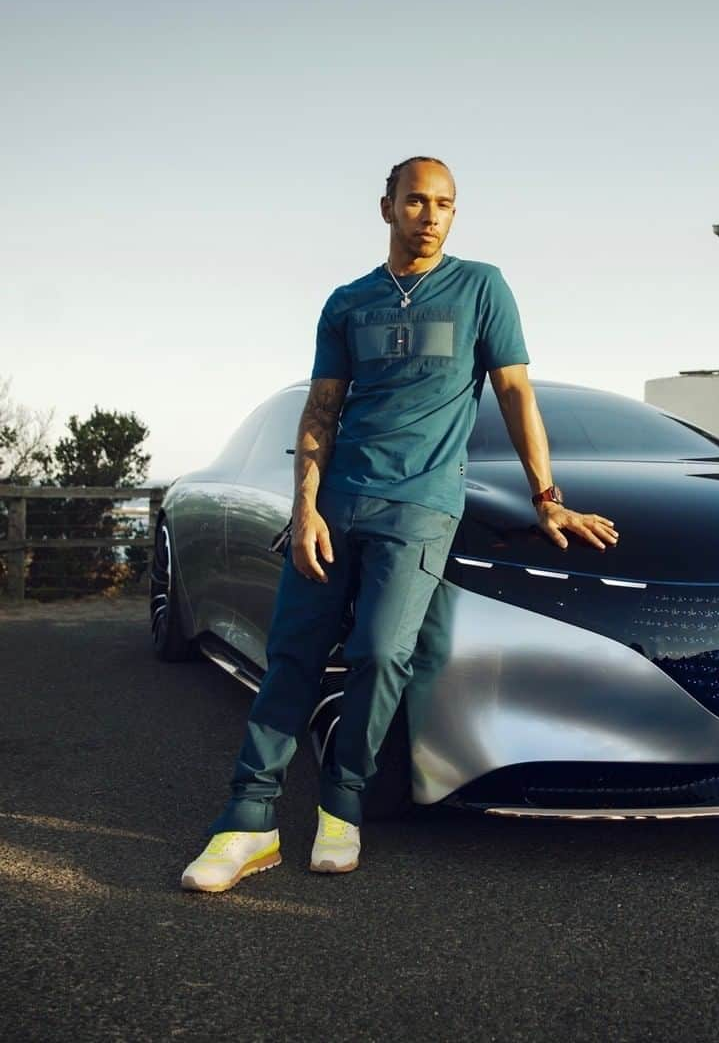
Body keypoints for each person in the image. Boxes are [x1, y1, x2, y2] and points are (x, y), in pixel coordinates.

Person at [181, 156, 619, 892]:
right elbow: (320, 411)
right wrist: (306, 508)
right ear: (386, 207)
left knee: (382, 655)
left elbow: (515, 393)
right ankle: (246, 823)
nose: (431, 215)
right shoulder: (348, 301)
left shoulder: (482, 288)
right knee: (290, 654)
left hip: (421, 505)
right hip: (337, 502)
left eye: (445, 203)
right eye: (416, 201)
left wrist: (549, 498)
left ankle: (341, 805)